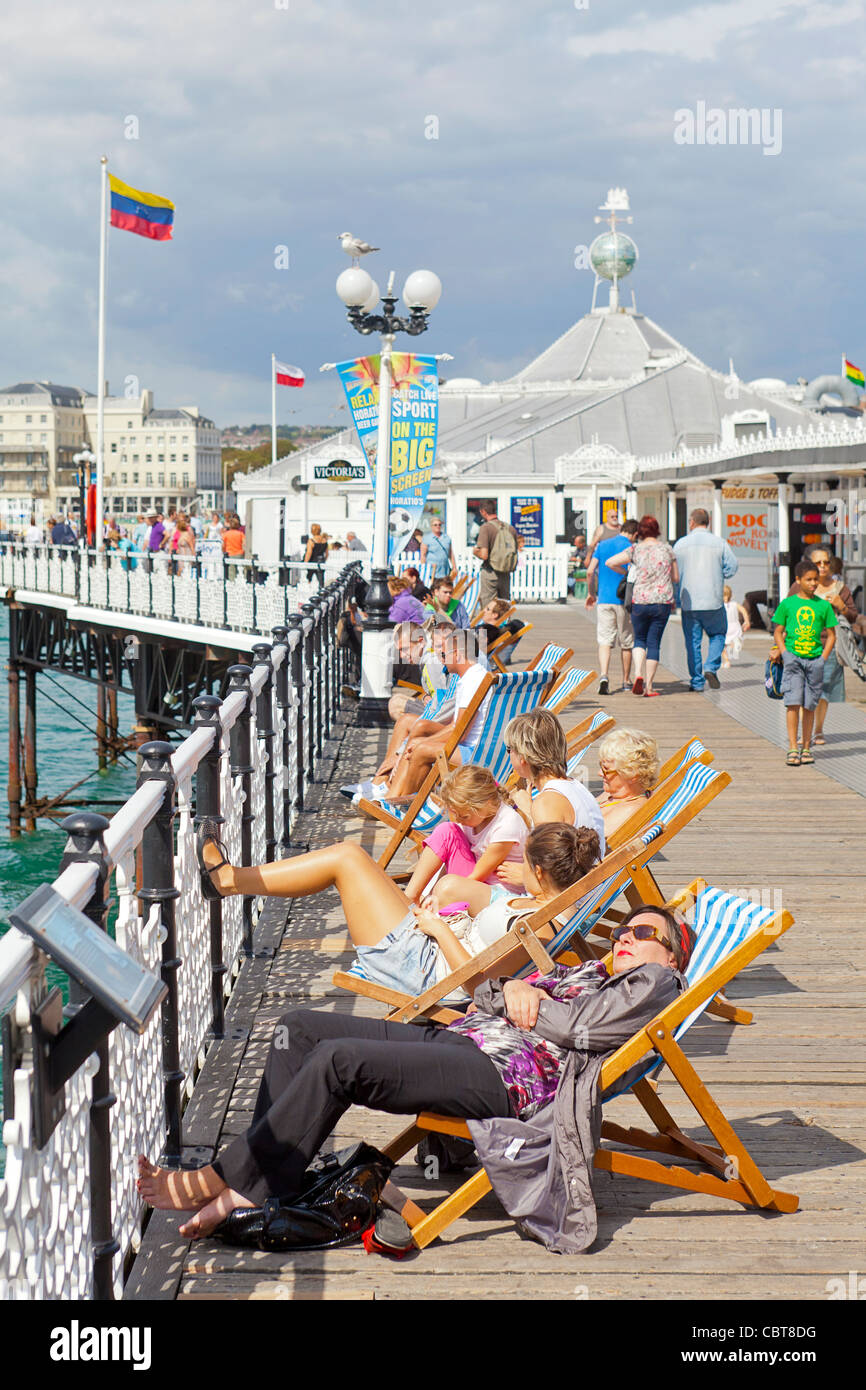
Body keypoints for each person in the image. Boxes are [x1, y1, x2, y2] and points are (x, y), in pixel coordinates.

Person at [137, 896, 689, 1249]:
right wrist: (514, 988)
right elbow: (489, 994)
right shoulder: (590, 971)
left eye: (642, 934)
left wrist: (527, 998)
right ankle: (263, 1179)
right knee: (299, 1027)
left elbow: (581, 1032)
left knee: (339, 1061)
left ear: (670, 957)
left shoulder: (657, 986)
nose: (624, 936)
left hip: (503, 1077)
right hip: (464, 1041)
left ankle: (223, 1181)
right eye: (623, 929)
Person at [491, 709, 606, 896]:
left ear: (523, 758)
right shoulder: (576, 787)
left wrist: (523, 876)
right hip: (586, 896)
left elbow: (544, 884)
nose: (508, 755)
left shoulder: (546, 803)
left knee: (451, 888)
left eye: (509, 749)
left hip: (557, 909)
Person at [403, 765, 530, 909]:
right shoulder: (475, 819)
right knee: (446, 830)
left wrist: (439, 894)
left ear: (487, 804)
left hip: (496, 893)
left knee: (449, 887)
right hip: (476, 882)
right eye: (455, 814)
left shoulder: (506, 825)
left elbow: (478, 876)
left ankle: (430, 904)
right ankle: (411, 896)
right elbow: (449, 856)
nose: (457, 819)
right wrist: (433, 892)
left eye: (463, 816)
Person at [386, 628, 491, 799]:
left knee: (421, 749)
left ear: (456, 654)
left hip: (474, 752)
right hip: (476, 747)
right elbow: (457, 726)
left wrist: (421, 743)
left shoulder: (472, 681)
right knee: (420, 738)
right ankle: (392, 796)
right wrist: (420, 740)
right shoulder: (477, 675)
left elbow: (461, 733)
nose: (441, 659)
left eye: (444, 654)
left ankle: (400, 803)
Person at [605, 515, 677, 697]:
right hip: (662, 601)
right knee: (654, 643)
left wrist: (627, 570)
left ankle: (637, 674)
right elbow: (676, 577)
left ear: (641, 532)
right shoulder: (667, 549)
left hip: (640, 600)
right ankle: (649, 686)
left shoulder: (635, 550)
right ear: (657, 530)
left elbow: (610, 562)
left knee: (639, 640)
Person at [788, 549, 856, 743]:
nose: (823, 567)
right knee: (802, 690)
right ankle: (804, 733)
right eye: (818, 563)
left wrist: (841, 605)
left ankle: (818, 730)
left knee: (823, 691)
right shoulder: (798, 586)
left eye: (826, 562)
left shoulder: (840, 588)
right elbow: (786, 613)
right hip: (800, 646)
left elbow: (853, 615)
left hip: (829, 647)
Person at [773, 558, 837, 765]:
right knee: (793, 703)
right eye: (809, 580)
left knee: (810, 705)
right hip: (793, 659)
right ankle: (793, 747)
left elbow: (832, 635)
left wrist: (822, 659)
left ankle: (806, 747)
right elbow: (778, 631)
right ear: (798, 580)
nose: (813, 584)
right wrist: (784, 653)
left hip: (814, 661)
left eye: (815, 580)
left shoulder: (823, 606)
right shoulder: (788, 604)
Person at [673, 508, 738, 692]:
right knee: (718, 634)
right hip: (713, 600)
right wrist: (719, 575)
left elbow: (674, 572)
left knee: (692, 642)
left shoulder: (680, 544)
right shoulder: (719, 543)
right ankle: (711, 666)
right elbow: (732, 567)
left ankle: (697, 681)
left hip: (689, 602)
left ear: (691, 522)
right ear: (707, 522)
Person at [585, 517, 636, 695]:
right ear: (634, 533)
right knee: (626, 642)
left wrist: (591, 594)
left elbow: (590, 571)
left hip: (604, 599)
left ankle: (604, 675)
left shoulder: (603, 545)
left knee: (605, 641)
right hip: (624, 599)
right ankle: (626, 680)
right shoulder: (631, 548)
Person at [595, 727, 659, 839]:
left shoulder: (630, 811)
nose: (600, 773)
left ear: (632, 774)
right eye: (601, 766)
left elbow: (590, 846)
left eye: (606, 769)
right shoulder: (612, 795)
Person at [473, 503, 519, 607]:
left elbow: (484, 555)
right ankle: (506, 623)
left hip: (490, 572)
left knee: (489, 606)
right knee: (504, 606)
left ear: (483, 512)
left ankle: (490, 624)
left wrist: (475, 551)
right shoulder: (510, 528)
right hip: (505, 572)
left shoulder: (486, 528)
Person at [722, 585, 750, 667]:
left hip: (725, 628)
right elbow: (744, 611)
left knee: (721, 646)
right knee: (732, 642)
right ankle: (734, 645)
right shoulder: (734, 604)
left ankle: (727, 661)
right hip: (735, 627)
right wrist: (747, 621)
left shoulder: (720, 606)